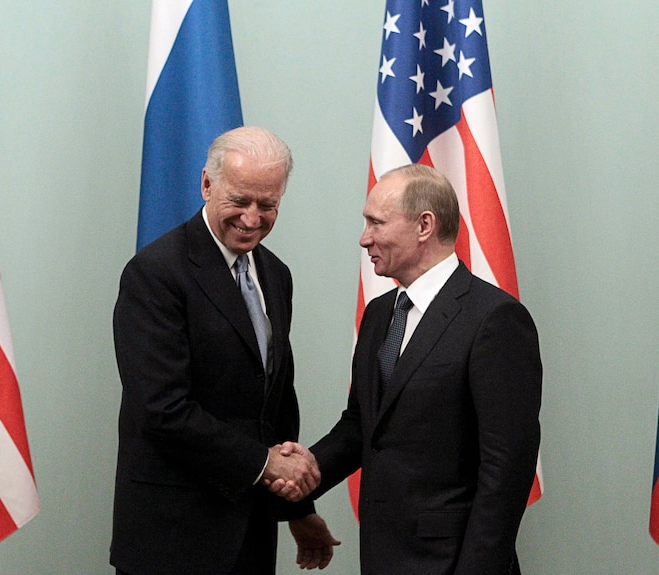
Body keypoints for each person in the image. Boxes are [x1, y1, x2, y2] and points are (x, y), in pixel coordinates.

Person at [272, 163, 542, 574]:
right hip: (383, 555)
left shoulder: (495, 319)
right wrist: (303, 471)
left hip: (453, 562)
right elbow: (362, 427)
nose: (365, 239)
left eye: (376, 223)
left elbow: (506, 468)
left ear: (424, 226)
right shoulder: (382, 313)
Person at [110, 126, 339, 575]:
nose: (253, 218)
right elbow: (162, 408)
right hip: (172, 541)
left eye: (268, 204)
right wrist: (265, 463)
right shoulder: (155, 273)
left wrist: (296, 508)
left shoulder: (275, 274)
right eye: (240, 201)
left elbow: (274, 401)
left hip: (250, 535)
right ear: (207, 185)